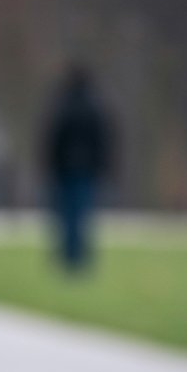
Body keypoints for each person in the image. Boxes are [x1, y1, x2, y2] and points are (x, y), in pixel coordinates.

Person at [42, 65, 114, 269]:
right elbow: (102, 141)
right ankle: (80, 256)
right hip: (87, 170)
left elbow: (54, 139)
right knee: (83, 214)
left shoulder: (63, 107)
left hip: (65, 169)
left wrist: (51, 166)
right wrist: (103, 166)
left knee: (66, 214)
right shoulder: (94, 108)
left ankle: (69, 256)